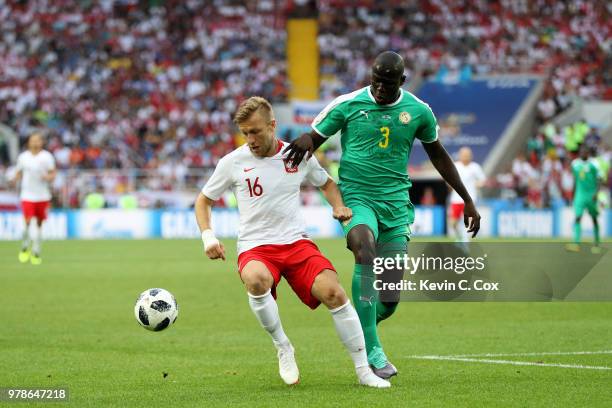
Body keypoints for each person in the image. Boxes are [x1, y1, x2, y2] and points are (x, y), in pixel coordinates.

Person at [283, 51, 480, 378]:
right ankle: (372, 351)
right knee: (364, 247)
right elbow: (313, 137)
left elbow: (440, 156)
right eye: (376, 82)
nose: (380, 89)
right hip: (357, 198)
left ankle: (359, 326)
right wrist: (307, 140)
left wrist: (467, 199)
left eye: (387, 84)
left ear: (401, 82)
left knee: (389, 298)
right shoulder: (349, 103)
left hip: (395, 204)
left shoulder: (418, 112)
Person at [195, 97, 390, 388]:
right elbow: (204, 200)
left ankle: (364, 372)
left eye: (256, 131)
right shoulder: (232, 162)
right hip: (256, 247)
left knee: (334, 293)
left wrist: (337, 206)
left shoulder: (295, 156)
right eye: (245, 132)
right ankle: (283, 345)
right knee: (256, 280)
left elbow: (327, 183)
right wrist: (208, 236)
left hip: (296, 243)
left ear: (273, 126)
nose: (250, 139)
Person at [12, 132, 56, 265]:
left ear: (41, 142)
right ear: (29, 142)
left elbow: (52, 173)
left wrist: (48, 178)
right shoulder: (23, 157)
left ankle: (36, 251)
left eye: (38, 140)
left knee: (39, 224)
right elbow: (18, 173)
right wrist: (14, 180)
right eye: (33, 141)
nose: (35, 143)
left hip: (43, 195)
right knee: (27, 222)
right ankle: (25, 245)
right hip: (27, 195)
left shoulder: (47, 157)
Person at [566, 144, 602, 253]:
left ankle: (596, 243)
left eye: (584, 152)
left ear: (588, 153)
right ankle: (576, 243)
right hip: (580, 195)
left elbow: (599, 179)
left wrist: (596, 192)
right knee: (578, 217)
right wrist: (572, 194)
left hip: (591, 195)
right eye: (581, 152)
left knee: (594, 219)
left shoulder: (594, 163)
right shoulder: (575, 164)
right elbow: (574, 180)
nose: (582, 154)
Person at [448, 147, 485, 241]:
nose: (466, 157)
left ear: (471, 156)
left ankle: (466, 240)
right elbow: (447, 179)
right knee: (453, 223)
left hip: (470, 199)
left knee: (469, 220)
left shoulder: (475, 167)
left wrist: (479, 184)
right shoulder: (455, 166)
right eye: (464, 155)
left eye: (467, 155)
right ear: (460, 156)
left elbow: (482, 180)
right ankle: (459, 236)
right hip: (456, 198)